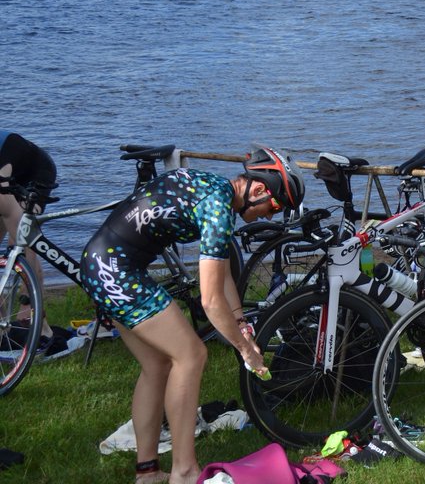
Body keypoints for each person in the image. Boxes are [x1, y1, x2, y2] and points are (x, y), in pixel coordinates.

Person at [80, 145, 304, 484]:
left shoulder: (215, 190)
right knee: (192, 355)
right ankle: (184, 471)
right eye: (275, 205)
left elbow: (222, 273)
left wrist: (241, 323)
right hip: (117, 271)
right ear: (257, 189)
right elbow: (211, 300)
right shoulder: (217, 209)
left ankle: (148, 472)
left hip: (99, 262)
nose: (271, 215)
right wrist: (244, 350)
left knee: (157, 365)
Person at [0, 130, 71, 357]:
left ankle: (41, 328)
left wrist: (26, 301)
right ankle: (5, 330)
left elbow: (24, 238)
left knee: (21, 247)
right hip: (9, 175)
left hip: (35, 175)